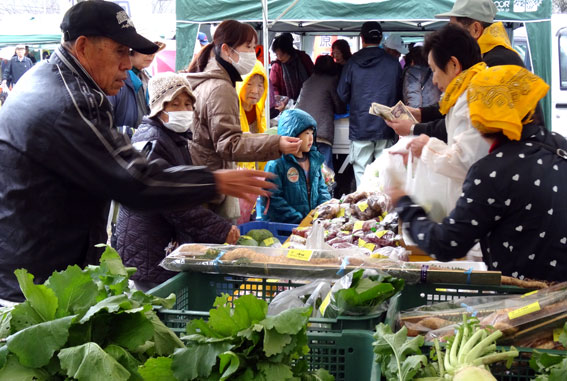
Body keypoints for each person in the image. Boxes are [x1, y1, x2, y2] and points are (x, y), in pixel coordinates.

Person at [0, 2, 273, 303]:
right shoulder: (74, 102)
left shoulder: (45, 77)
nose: (128, 64)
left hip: (30, 271)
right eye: (120, 51)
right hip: (36, 286)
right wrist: (214, 181)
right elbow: (135, 181)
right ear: (82, 47)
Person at [386, 65, 565, 282]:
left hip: (525, 303)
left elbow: (445, 244)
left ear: (480, 121)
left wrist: (404, 203)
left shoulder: (492, 171)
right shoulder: (559, 145)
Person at [115, 72, 240, 291]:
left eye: (187, 104)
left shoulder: (173, 138)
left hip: (158, 245)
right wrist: (220, 229)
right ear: (158, 108)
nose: (184, 110)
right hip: (148, 248)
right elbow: (175, 203)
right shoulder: (153, 141)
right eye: (174, 104)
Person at [185, 20, 301, 220]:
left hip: (203, 182)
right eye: (248, 47)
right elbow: (229, 143)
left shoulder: (207, 81)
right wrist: (277, 143)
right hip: (210, 187)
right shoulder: (220, 88)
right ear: (226, 50)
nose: (252, 53)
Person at [388, 0, 528, 141]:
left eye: (454, 29)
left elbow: (462, 122)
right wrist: (421, 113)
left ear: (475, 29)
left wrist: (414, 129)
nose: (435, 80)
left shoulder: (494, 64)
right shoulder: (486, 56)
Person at [402, 24, 490, 219]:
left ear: (453, 65)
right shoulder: (467, 92)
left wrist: (426, 145)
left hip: (477, 217)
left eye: (434, 70)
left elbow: (465, 163)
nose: (433, 80)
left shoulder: (473, 99)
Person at [337, 21, 402, 186]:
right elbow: (400, 93)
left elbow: (342, 93)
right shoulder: (393, 63)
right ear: (381, 38)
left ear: (362, 38)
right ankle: (382, 208)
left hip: (360, 124)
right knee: (383, 173)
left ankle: (364, 207)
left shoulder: (352, 62)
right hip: (386, 124)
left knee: (361, 172)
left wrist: (356, 103)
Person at [260, 109, 331, 224]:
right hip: (284, 228)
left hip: (311, 225)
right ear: (291, 134)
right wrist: (299, 219)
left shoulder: (314, 160)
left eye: (312, 133)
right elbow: (273, 199)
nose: (311, 138)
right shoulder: (277, 164)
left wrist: (323, 212)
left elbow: (322, 189)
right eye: (306, 133)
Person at [297, 55, 346, 171]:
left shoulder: (308, 82)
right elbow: (339, 106)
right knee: (326, 169)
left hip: (303, 131)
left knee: (307, 168)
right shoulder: (331, 82)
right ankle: (327, 189)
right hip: (321, 133)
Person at [108, 41, 165, 134]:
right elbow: (104, 128)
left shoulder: (147, 79)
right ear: (130, 51)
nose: (151, 55)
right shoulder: (115, 80)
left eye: (154, 50)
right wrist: (134, 133)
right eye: (146, 49)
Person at [236, 60, 269, 170]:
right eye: (249, 84)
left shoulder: (259, 110)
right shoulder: (230, 110)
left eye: (260, 85)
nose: (255, 91)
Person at [269, 33, 314, 101]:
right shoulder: (276, 66)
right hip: (285, 103)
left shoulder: (303, 58)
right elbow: (273, 87)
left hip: (307, 99)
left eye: (282, 54)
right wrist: (279, 100)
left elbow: (313, 76)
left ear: (289, 51)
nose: (279, 57)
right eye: (277, 54)